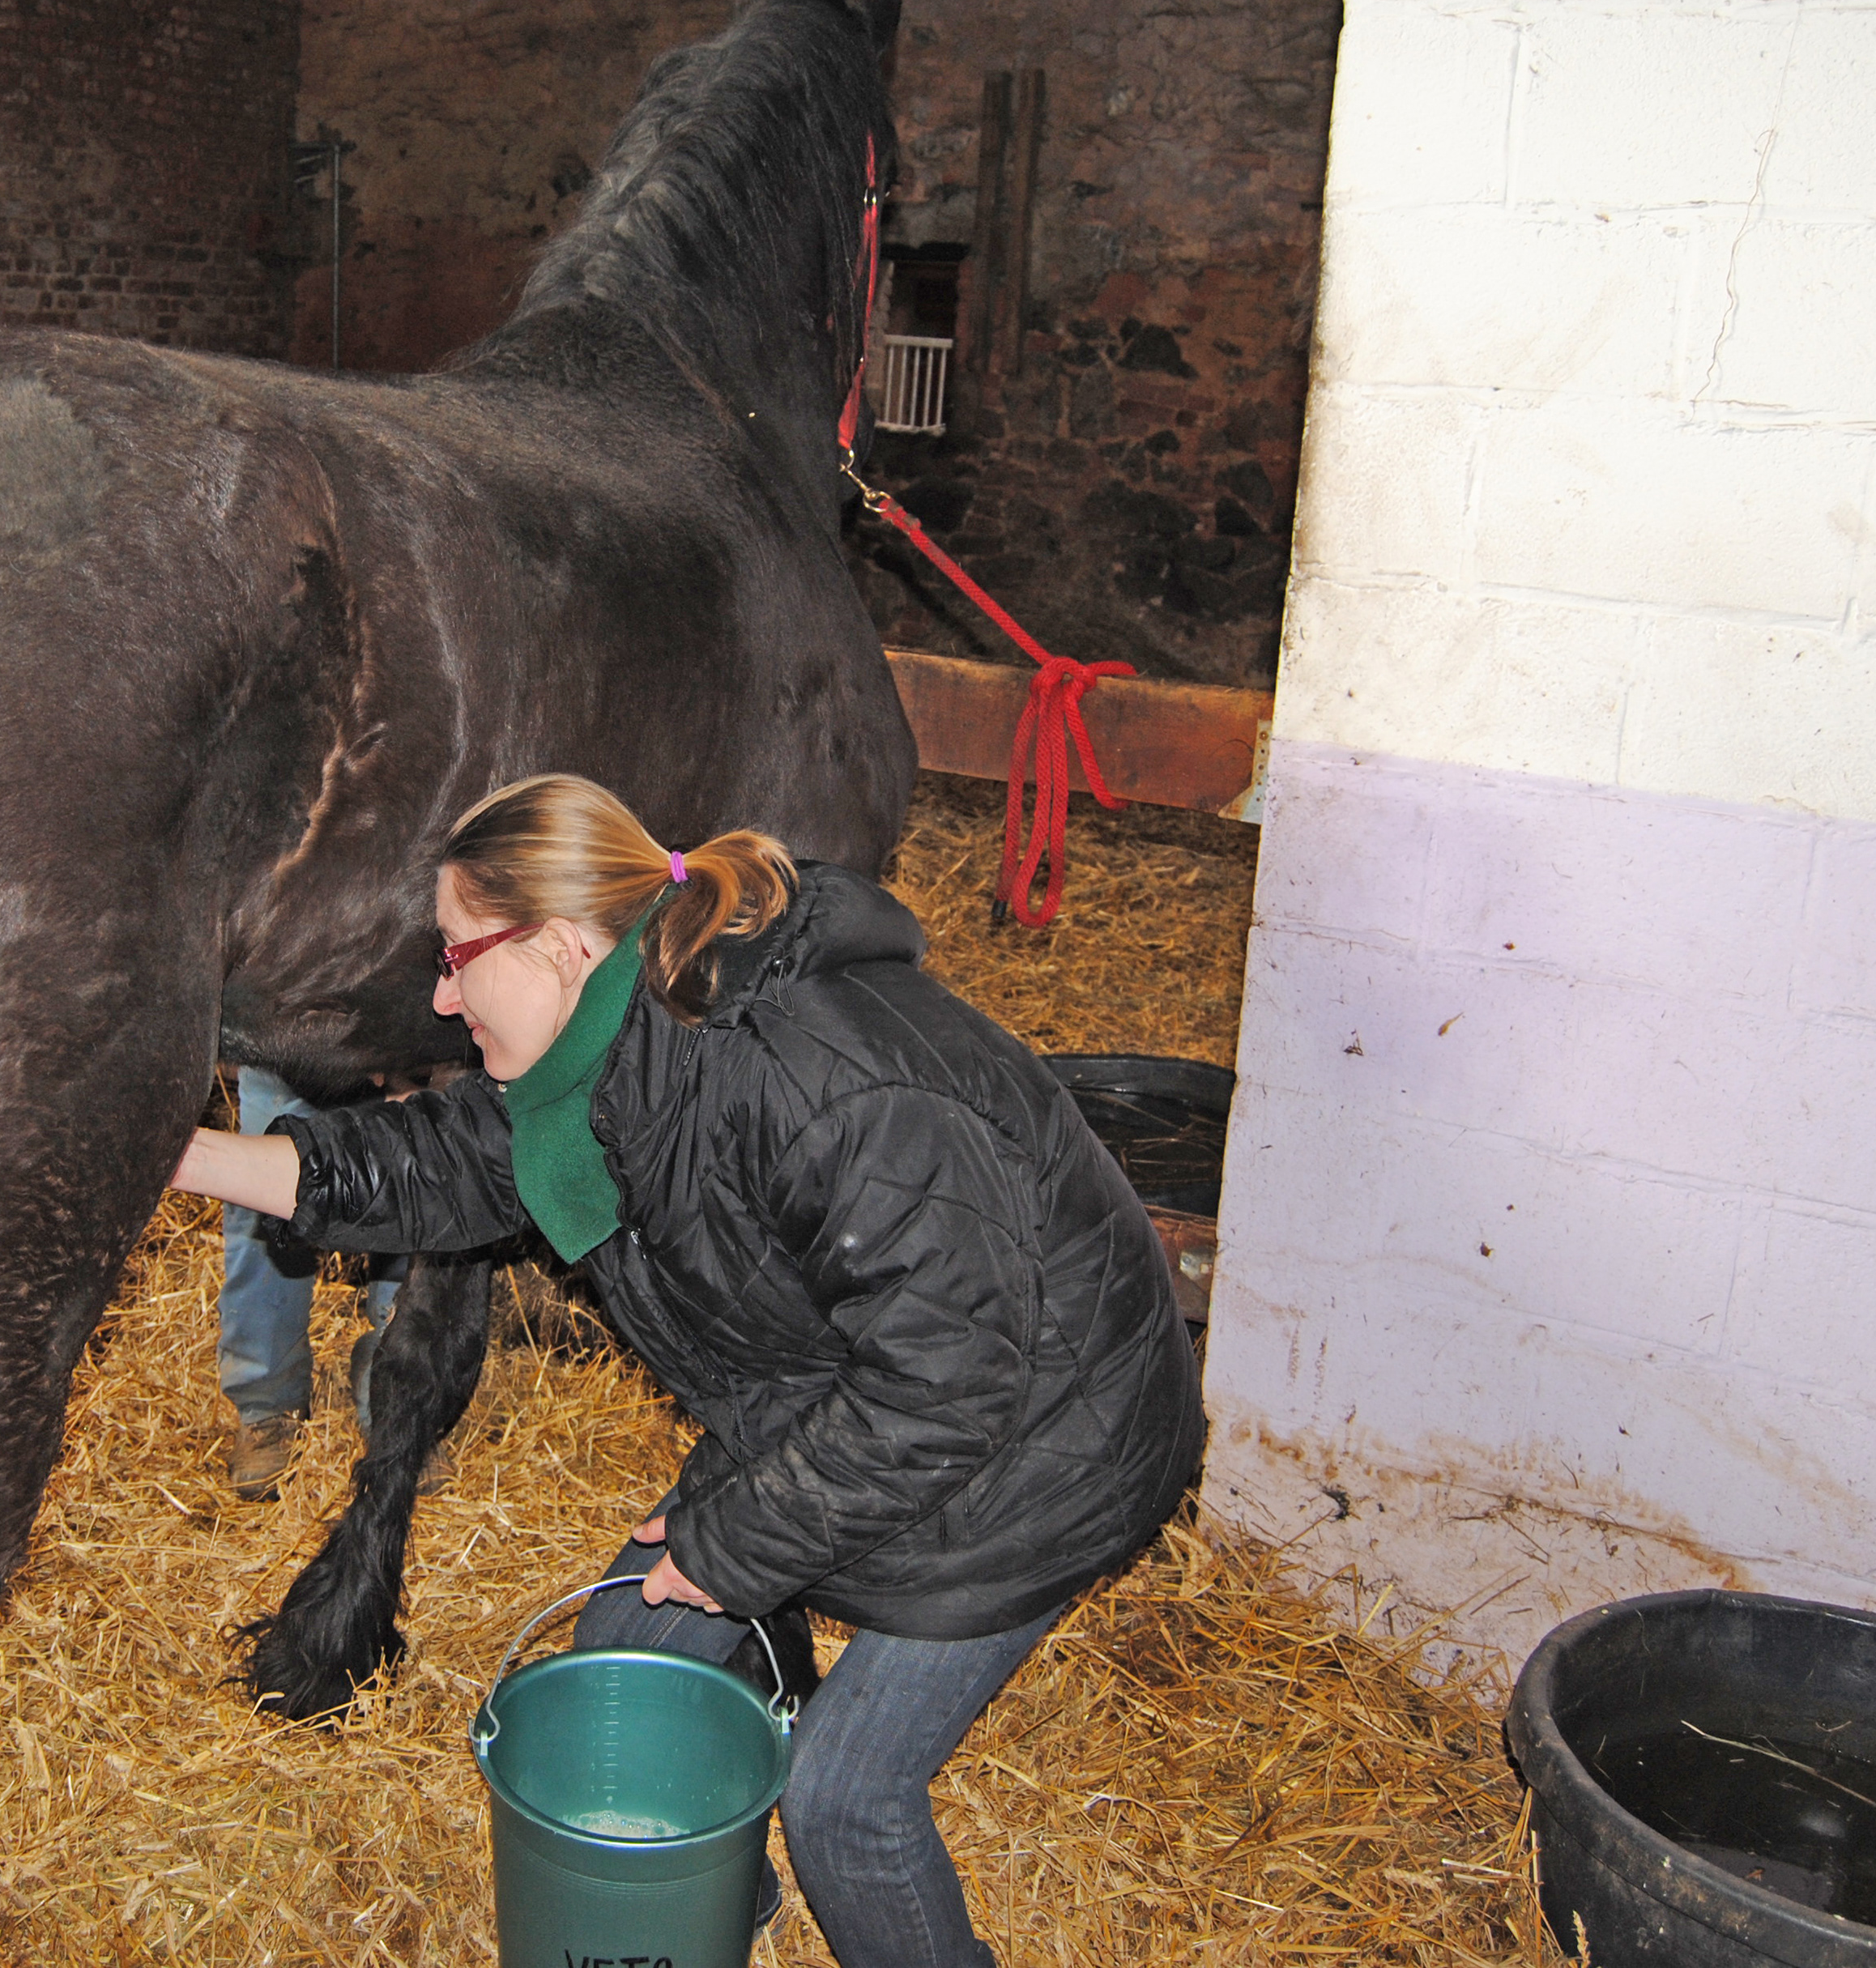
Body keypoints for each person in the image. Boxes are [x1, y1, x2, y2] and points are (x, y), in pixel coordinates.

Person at [174, 773, 1203, 1968]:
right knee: (626, 1657)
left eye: (458, 955)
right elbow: (437, 1166)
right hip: (840, 1394)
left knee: (844, 1802)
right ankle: (711, 1909)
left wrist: (738, 1540)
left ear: (560, 944)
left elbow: (947, 1381)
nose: (443, 996)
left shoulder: (820, 1080)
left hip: (1050, 1442)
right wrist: (179, 1153)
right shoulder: (607, 1053)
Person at [215, 1067, 410, 1500]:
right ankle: (267, 1403)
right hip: (290, 1032)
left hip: (407, 1036)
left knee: (415, 1181)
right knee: (262, 1192)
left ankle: (395, 1393)